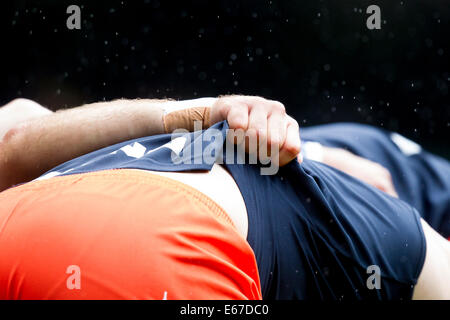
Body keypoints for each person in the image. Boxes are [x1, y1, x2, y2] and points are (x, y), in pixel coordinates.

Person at [0, 96, 448, 300]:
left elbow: (17, 132)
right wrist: (192, 113)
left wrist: (196, 112)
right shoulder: (377, 228)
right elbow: (16, 134)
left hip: (22, 227)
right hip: (169, 225)